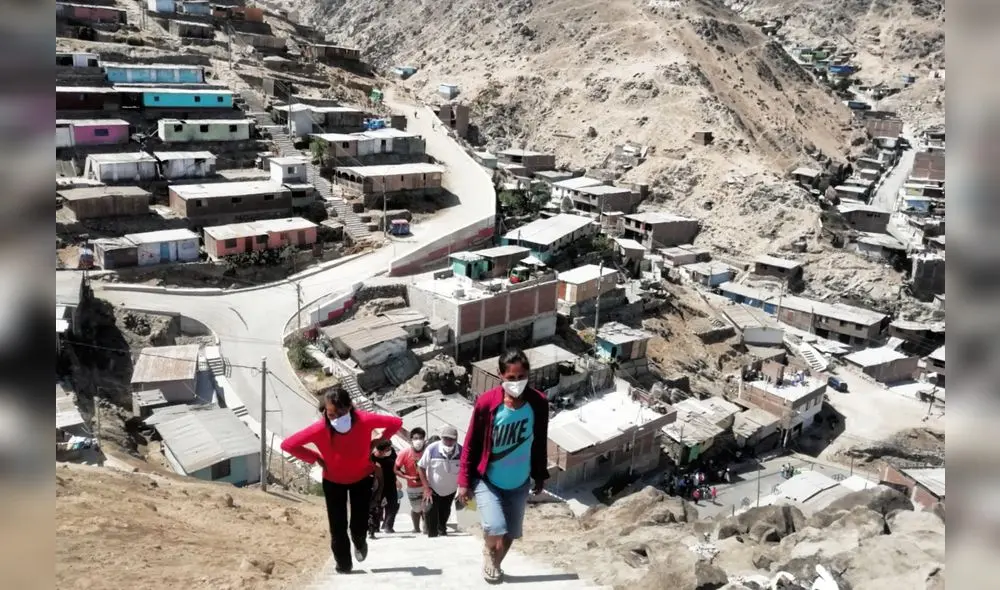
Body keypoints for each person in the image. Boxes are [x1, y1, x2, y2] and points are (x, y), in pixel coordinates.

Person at [281, 387, 402, 574]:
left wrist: (378, 441)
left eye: (341, 412)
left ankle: (360, 541)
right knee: (337, 527)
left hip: (362, 478)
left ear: (350, 407)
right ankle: (344, 564)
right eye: (331, 414)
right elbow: (288, 445)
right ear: (325, 412)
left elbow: (396, 422)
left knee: (358, 524)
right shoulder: (320, 428)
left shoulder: (363, 419)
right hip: (333, 482)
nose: (337, 418)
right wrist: (316, 458)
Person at [457, 349, 549, 584]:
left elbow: (539, 441)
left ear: (528, 375)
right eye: (511, 378)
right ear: (501, 375)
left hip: (519, 481)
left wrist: (539, 475)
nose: (516, 383)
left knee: (511, 533)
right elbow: (470, 444)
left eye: (521, 377)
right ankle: (489, 552)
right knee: (495, 526)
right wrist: (463, 483)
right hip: (489, 480)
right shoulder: (487, 403)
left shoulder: (538, 403)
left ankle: (495, 564)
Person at [417, 425, 463, 538]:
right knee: (431, 511)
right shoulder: (432, 449)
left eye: (451, 439)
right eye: (445, 438)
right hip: (433, 489)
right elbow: (421, 467)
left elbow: (466, 470)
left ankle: (442, 529)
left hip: (451, 490)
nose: (448, 441)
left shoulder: (462, 451)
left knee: (445, 512)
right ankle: (432, 534)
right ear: (442, 438)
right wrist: (426, 488)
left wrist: (463, 487)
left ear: (456, 440)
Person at [394, 427, 427, 533]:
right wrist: (407, 477)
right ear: (411, 439)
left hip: (427, 485)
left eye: (420, 438)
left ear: (424, 439)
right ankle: (416, 528)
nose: (418, 441)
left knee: (427, 508)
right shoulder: (404, 453)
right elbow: (396, 469)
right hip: (413, 487)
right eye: (415, 438)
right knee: (417, 509)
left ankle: (427, 528)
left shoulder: (428, 451)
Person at [372, 439, 400, 534]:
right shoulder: (372, 458)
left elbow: (396, 467)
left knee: (393, 505)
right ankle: (375, 527)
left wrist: (396, 480)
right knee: (377, 506)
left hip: (391, 483)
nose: (390, 450)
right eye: (387, 449)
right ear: (380, 451)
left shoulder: (392, 454)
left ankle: (388, 525)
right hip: (378, 485)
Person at [368, 443, 387, 538]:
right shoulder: (359, 465)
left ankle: (371, 531)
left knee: (372, 512)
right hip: (361, 493)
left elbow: (381, 482)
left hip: (373, 493)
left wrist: (379, 494)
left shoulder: (377, 467)